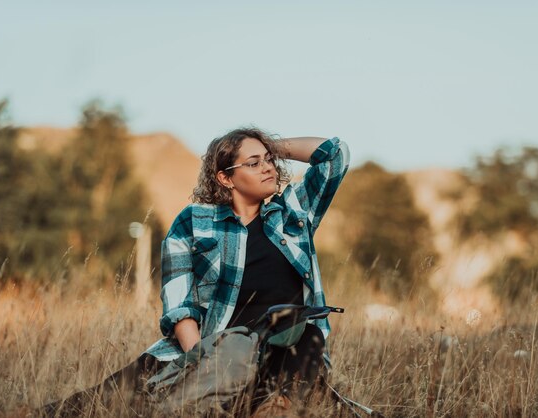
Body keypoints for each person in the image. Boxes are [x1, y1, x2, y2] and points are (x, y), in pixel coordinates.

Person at [40, 127, 350, 416]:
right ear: (225, 178)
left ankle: (278, 405)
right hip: (213, 346)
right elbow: (179, 303)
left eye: (268, 160)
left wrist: (272, 146)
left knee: (307, 333)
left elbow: (334, 156)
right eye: (253, 163)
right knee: (105, 399)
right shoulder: (195, 221)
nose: (268, 167)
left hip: (282, 348)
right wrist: (200, 361)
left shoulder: (293, 211)